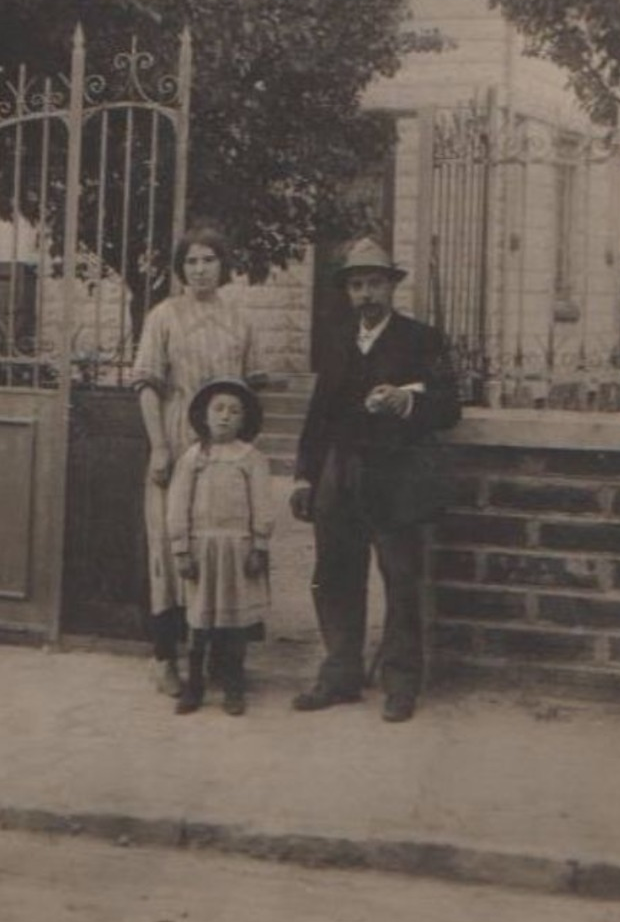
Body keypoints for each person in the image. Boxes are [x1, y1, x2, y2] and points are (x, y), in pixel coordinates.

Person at [290, 236, 461, 723]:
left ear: (392, 287)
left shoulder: (420, 339)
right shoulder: (336, 340)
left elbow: (449, 406)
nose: (366, 294)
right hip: (339, 471)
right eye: (357, 285)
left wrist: (408, 402)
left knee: (400, 577)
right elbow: (318, 416)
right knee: (334, 574)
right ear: (347, 292)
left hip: (396, 473)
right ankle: (340, 673)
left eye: (375, 284)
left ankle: (401, 682)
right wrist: (305, 476)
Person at [131, 224, 262, 697]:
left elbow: (251, 386)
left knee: (225, 546)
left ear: (223, 266)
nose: (201, 269)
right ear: (180, 268)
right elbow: (147, 383)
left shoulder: (240, 319)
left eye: (209, 260)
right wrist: (160, 446)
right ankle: (166, 657)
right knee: (171, 549)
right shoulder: (164, 316)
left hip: (227, 451)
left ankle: (228, 664)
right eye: (191, 261)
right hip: (177, 441)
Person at [167, 378, 275, 716]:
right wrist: (182, 548)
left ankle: (233, 686)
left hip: (238, 551)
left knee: (235, 624)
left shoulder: (251, 458)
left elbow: (262, 504)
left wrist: (258, 545)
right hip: (202, 550)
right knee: (199, 623)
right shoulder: (193, 458)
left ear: (244, 420)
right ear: (204, 415)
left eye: (234, 411)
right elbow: (177, 504)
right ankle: (194, 686)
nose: (225, 417)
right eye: (218, 409)